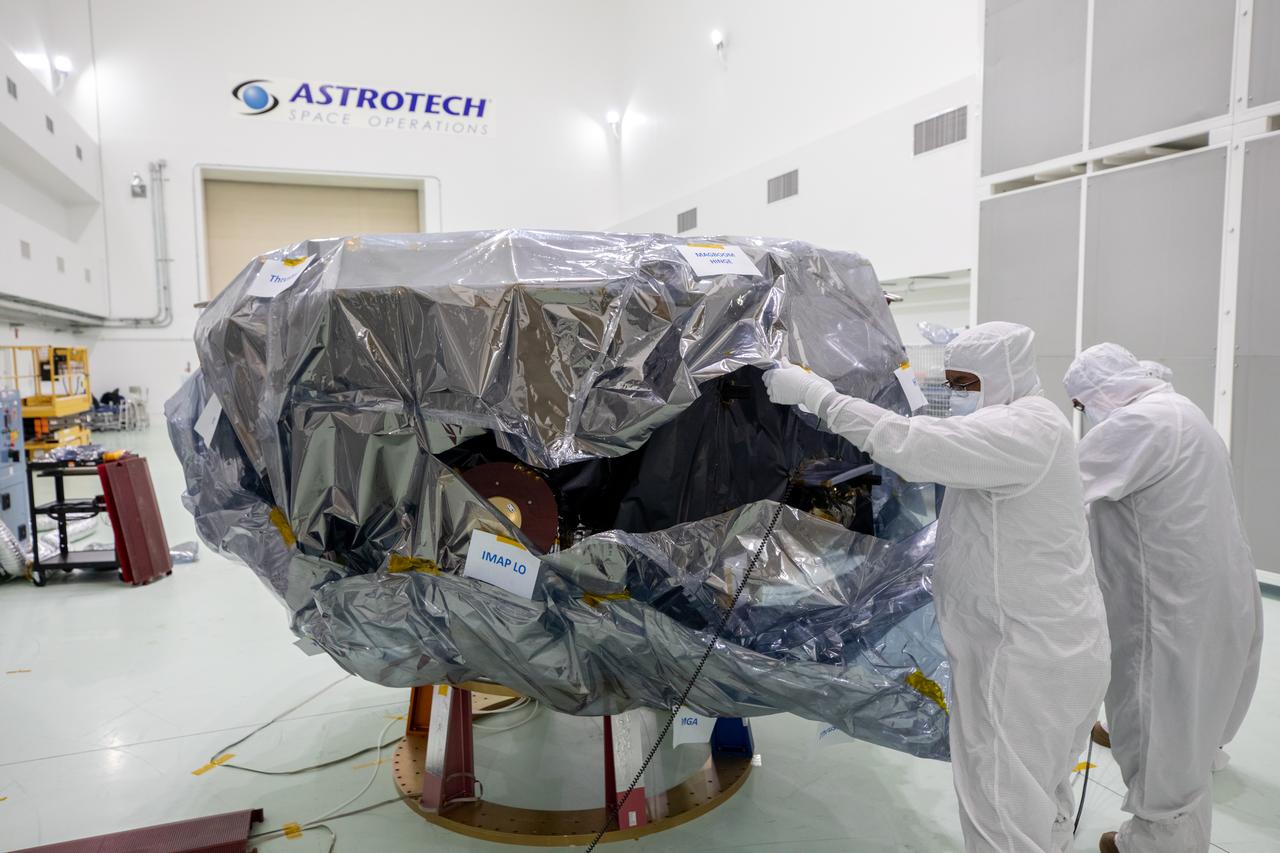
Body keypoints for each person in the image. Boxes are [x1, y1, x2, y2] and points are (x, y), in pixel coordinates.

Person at [764, 322, 1110, 852]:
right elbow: (941, 445)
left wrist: (817, 395)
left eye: (966, 382)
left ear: (1003, 376)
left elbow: (910, 445)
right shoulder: (1032, 420)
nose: (958, 395)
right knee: (1040, 798)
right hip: (1051, 646)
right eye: (951, 383)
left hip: (1020, 658)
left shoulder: (1023, 431)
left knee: (1001, 811)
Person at [1064, 343, 1263, 853]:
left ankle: (1155, 842)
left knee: (1158, 712)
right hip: (1215, 587)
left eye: (1082, 404)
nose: (1085, 416)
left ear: (1098, 393)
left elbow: (1057, 488)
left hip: (1169, 603)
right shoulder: (1181, 410)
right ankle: (1189, 786)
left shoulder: (1136, 426)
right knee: (1198, 701)